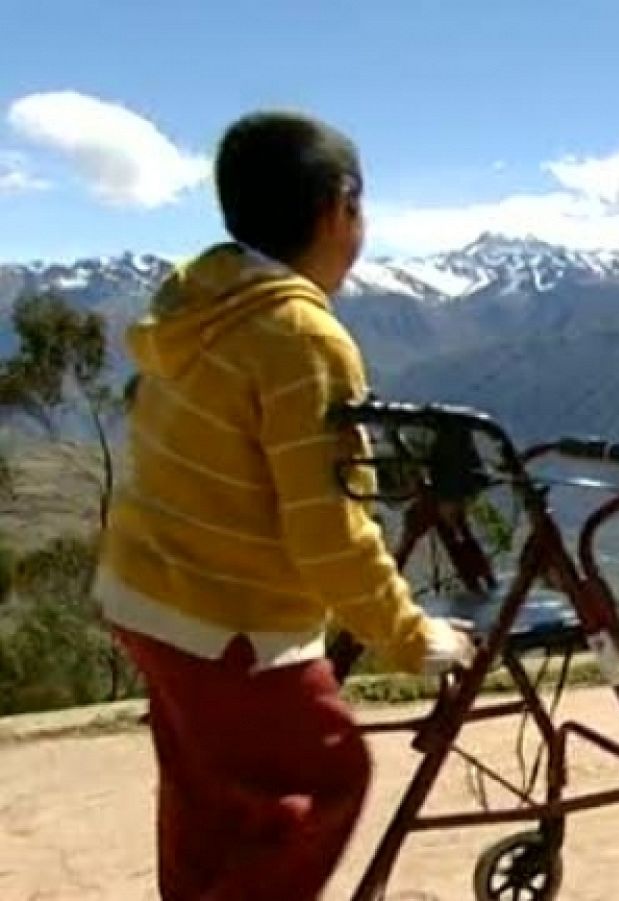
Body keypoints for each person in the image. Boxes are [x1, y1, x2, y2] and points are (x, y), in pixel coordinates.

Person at [93, 110, 476, 900]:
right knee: (327, 771)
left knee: (209, 795)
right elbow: (327, 522)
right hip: (225, 617)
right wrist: (411, 635)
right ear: (340, 207)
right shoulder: (300, 335)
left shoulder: (201, 304)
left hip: (143, 594)